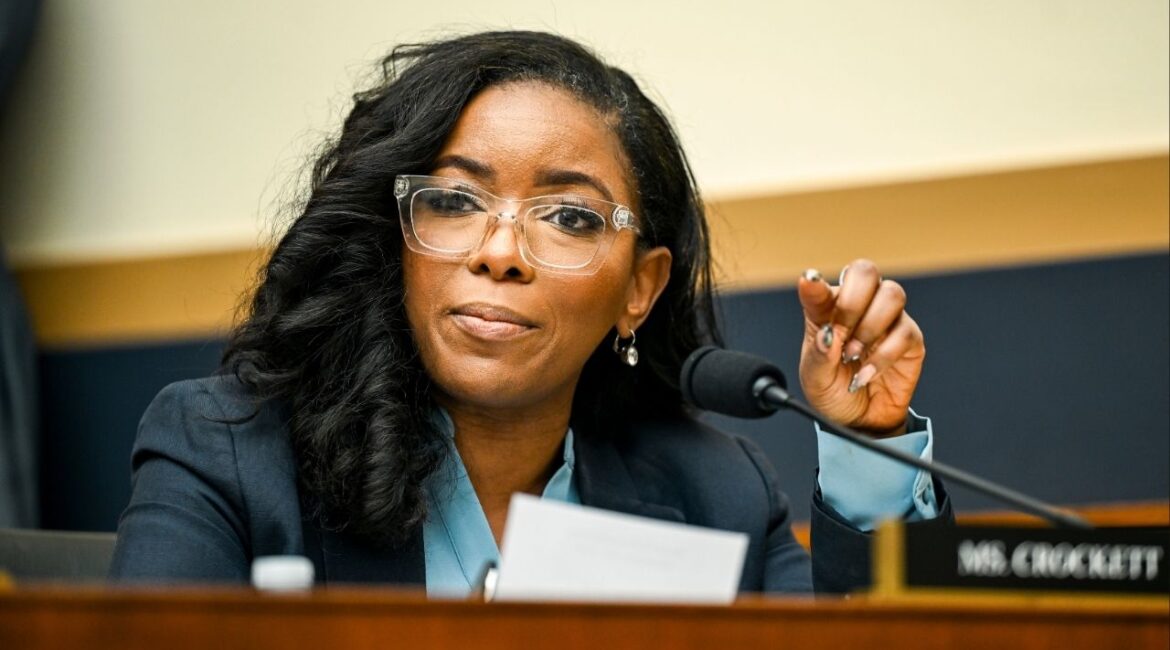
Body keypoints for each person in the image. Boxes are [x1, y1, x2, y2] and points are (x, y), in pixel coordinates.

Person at [109, 31, 948, 594]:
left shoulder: (715, 493)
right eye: (453, 202)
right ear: (396, 244)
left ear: (640, 288)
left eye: (569, 217)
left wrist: (867, 448)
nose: (501, 252)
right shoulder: (226, 454)